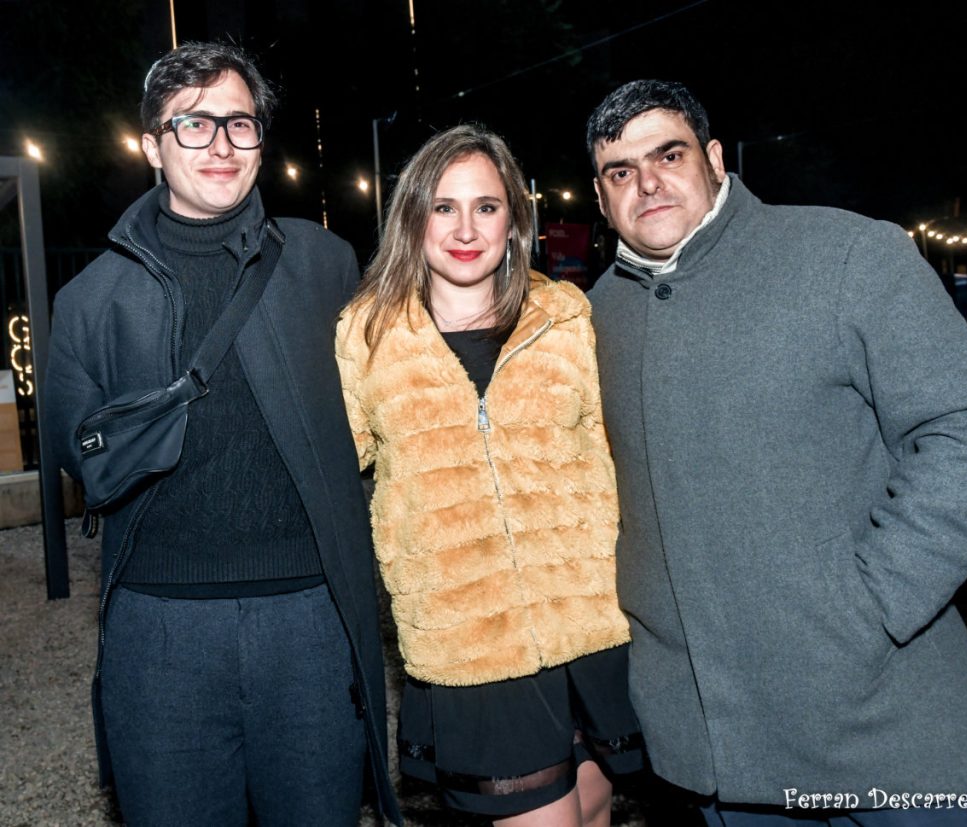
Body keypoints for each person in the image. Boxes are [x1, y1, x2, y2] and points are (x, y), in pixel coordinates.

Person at [584, 79, 967, 826]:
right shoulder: (592, 318)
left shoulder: (845, 254)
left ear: (714, 158)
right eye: (620, 171)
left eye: (669, 155)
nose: (647, 183)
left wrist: (875, 605)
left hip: (886, 725)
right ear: (601, 198)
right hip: (718, 751)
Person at [44, 41, 399, 826]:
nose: (220, 145)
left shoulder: (325, 264)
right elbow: (77, 454)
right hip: (160, 631)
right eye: (193, 124)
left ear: (260, 142)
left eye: (239, 124)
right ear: (152, 146)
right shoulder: (91, 299)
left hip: (309, 620)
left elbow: (393, 394)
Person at [334, 124, 643, 826]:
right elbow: (334, 465)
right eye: (443, 207)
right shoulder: (368, 333)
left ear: (514, 220)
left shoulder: (566, 317)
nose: (466, 229)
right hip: (473, 640)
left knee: (594, 804)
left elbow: (618, 447)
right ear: (413, 217)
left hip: (590, 620)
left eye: (486, 206)